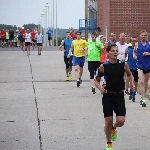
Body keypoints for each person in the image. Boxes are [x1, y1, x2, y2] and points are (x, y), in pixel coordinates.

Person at [95, 44, 134, 150]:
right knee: (108, 120)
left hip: (119, 96)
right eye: (113, 51)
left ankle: (114, 128)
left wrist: (132, 85)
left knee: (121, 121)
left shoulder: (123, 64)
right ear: (108, 53)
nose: (115, 52)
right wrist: (100, 88)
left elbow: (130, 74)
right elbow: (96, 81)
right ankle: (109, 143)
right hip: (108, 96)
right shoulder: (104, 66)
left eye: (117, 51)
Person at [133, 30, 150, 107]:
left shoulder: (149, 44)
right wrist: (134, 56)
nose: (143, 36)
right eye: (142, 35)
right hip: (140, 65)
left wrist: (148, 53)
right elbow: (134, 52)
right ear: (140, 36)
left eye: (145, 35)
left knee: (146, 83)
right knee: (142, 82)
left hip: (148, 65)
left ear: (146, 36)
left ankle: (143, 94)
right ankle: (143, 99)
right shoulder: (137, 44)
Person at [124, 37, 138, 102]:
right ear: (131, 41)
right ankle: (132, 92)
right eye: (133, 41)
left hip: (137, 67)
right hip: (130, 66)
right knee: (131, 79)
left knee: (135, 81)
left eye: (135, 41)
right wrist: (125, 58)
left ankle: (134, 93)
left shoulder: (138, 49)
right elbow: (125, 53)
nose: (134, 42)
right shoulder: (128, 48)